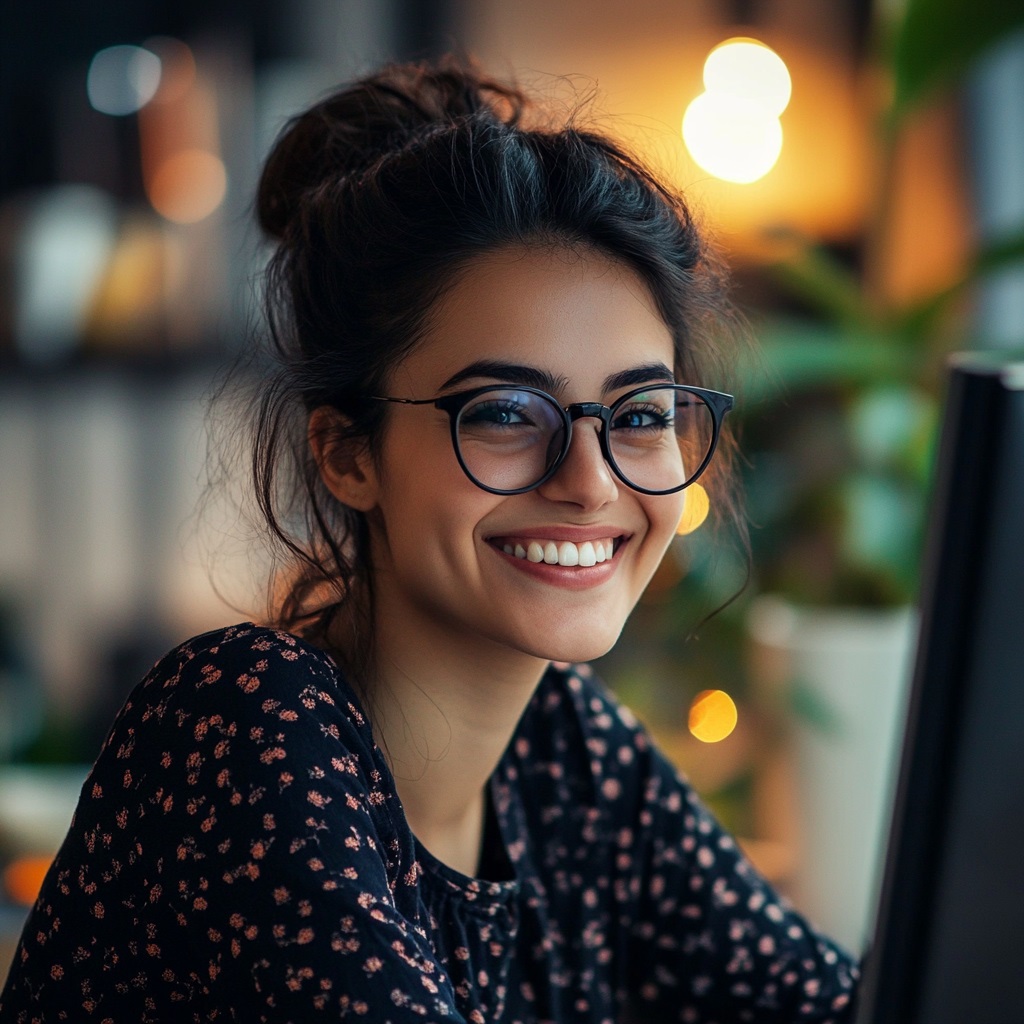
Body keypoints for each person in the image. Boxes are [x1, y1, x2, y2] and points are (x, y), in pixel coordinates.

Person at [0, 56, 859, 1023]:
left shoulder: (568, 755)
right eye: (504, 412)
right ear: (347, 454)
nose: (589, 483)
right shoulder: (245, 723)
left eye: (641, 414)